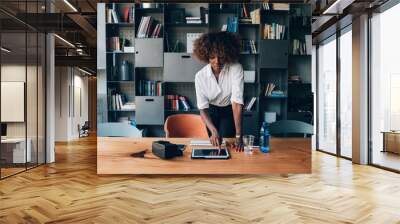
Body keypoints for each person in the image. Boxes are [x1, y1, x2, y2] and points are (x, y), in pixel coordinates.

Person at [193, 31, 244, 151]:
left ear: (227, 54)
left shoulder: (236, 68)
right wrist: (213, 131)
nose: (217, 61)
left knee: (228, 144)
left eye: (221, 56)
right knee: (214, 141)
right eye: (212, 57)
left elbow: (236, 104)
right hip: (210, 112)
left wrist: (238, 136)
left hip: (229, 110)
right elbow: (203, 109)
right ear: (205, 55)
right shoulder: (200, 76)